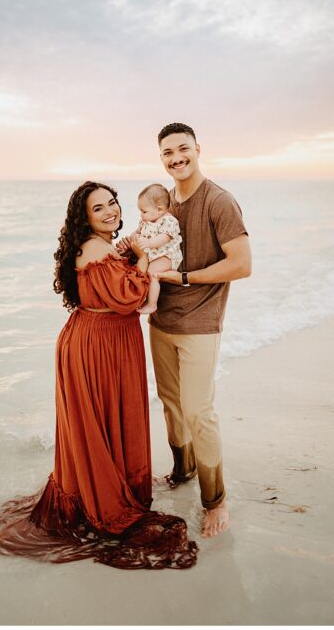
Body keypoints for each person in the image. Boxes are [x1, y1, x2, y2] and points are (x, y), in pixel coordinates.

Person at [0, 182, 197, 570]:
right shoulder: (96, 248)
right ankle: (103, 495)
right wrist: (138, 257)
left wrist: (133, 254)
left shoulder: (102, 245)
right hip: (97, 345)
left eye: (113, 203)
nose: (110, 211)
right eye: (98, 208)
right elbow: (132, 297)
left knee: (106, 420)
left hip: (105, 339)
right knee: (101, 421)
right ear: (84, 217)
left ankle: (108, 484)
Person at [125, 122, 250, 539]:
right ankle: (183, 469)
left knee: (199, 411)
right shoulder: (160, 205)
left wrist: (184, 278)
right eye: (167, 153)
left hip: (200, 322)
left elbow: (241, 264)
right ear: (160, 158)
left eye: (183, 149)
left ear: (198, 149)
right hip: (161, 320)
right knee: (171, 403)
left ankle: (216, 499)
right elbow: (147, 247)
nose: (176, 158)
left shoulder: (219, 201)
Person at [133, 183, 183, 315]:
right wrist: (131, 240)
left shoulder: (169, 221)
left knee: (152, 272)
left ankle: (152, 304)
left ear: (160, 210)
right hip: (154, 255)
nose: (141, 215)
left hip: (168, 256)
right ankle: (143, 298)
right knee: (140, 269)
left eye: (144, 211)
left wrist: (149, 242)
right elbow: (137, 232)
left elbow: (164, 238)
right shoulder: (147, 220)